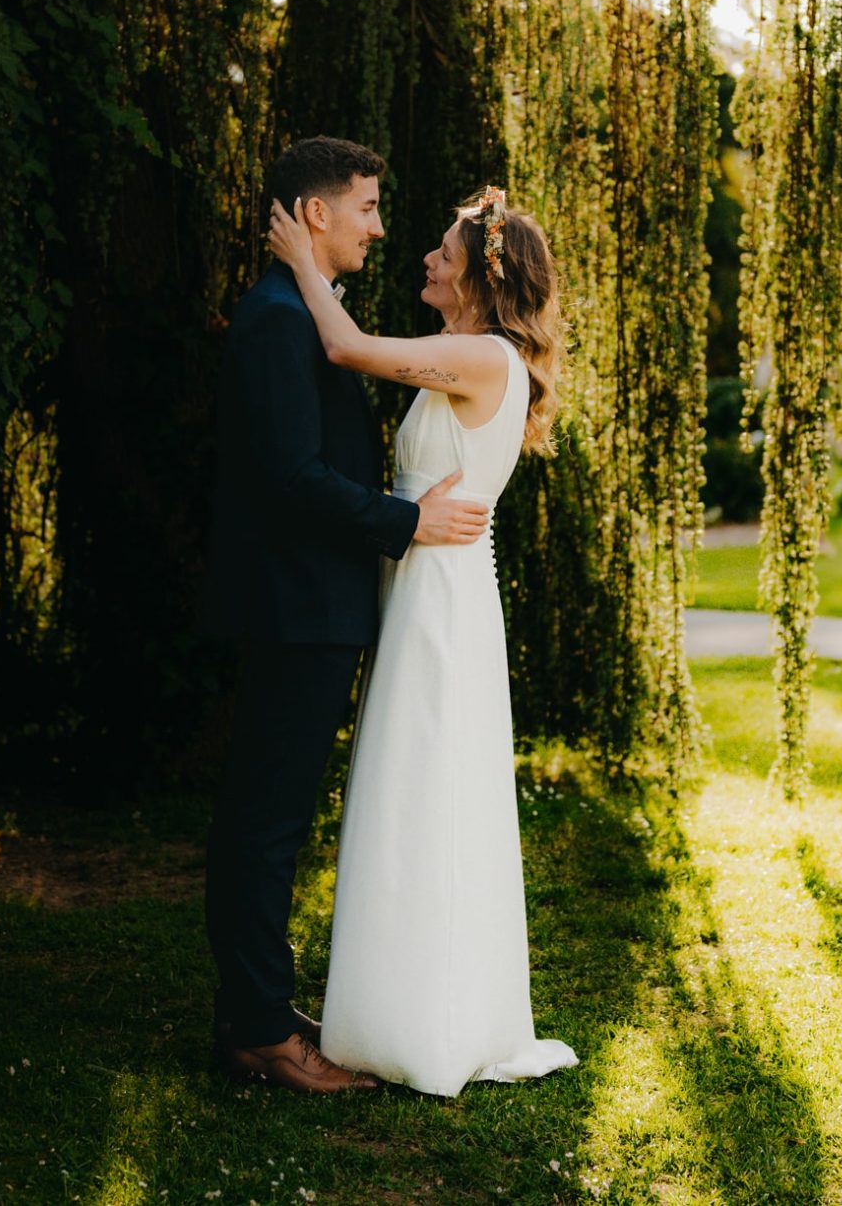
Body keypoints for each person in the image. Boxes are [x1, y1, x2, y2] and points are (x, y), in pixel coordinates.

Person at [262, 177, 579, 1096]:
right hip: (424, 588)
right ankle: (392, 1008)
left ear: (480, 276)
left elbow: (345, 345)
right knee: (409, 789)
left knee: (424, 790)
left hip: (440, 601)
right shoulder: (468, 353)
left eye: (444, 251)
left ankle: (425, 1022)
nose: (428, 259)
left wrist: (301, 261)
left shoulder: (481, 356)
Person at [198, 135, 492, 1095]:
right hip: (296, 607)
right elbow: (293, 478)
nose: (379, 226)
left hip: (315, 606)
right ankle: (259, 1033)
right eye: (366, 207)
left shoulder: (301, 306)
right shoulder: (279, 318)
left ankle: (263, 1011)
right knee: (265, 823)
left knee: (271, 817)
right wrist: (408, 522)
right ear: (316, 213)